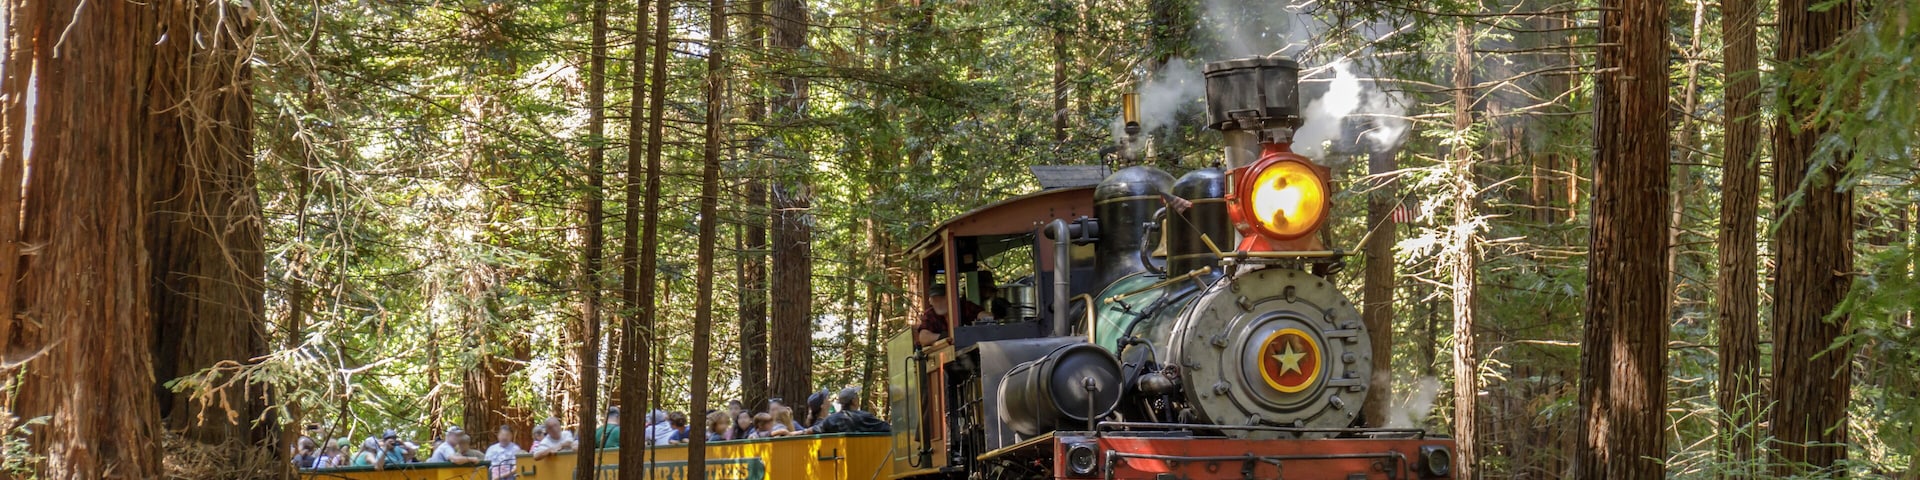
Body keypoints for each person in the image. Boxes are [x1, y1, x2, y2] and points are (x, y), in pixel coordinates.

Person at [796, 387, 891, 435]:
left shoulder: (832, 419)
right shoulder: (865, 417)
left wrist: (791, 434)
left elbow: (811, 430)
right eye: (857, 396)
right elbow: (888, 428)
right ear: (854, 401)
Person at [915, 285, 983, 346]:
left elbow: (984, 315)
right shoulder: (930, 315)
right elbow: (923, 338)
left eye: (942, 299)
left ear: (951, 299)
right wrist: (947, 336)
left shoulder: (964, 306)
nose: (939, 303)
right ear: (931, 302)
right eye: (935, 300)